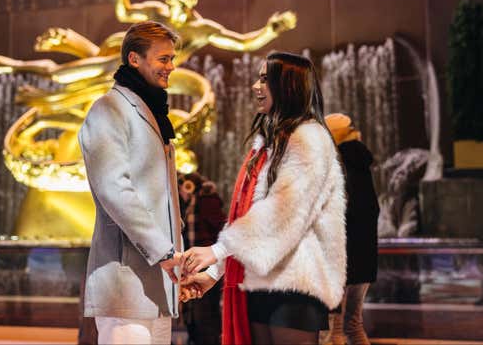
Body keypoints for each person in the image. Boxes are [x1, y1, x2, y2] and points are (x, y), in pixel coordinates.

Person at [181, 52, 347, 345]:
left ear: (290, 87)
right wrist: (213, 274)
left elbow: (282, 213)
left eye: (265, 79)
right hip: (260, 283)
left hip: (295, 286)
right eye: (258, 78)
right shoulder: (269, 145)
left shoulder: (310, 138)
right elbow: (247, 219)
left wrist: (216, 252)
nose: (256, 87)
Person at [78, 21, 185, 345]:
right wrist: (165, 251)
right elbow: (114, 189)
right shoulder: (108, 109)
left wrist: (176, 261)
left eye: (171, 58)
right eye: (163, 59)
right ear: (135, 59)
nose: (171, 66)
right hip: (124, 283)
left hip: (160, 285)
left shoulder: (154, 112)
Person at [324, 113, 379, 345]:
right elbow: (373, 208)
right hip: (364, 258)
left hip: (340, 258)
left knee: (334, 330)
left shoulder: (336, 164)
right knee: (354, 325)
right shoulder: (362, 163)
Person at [177, 172, 226, 345]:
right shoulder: (187, 204)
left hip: (207, 261)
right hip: (193, 262)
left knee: (206, 313)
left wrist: (216, 253)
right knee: (191, 308)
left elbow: (221, 227)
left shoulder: (206, 201)